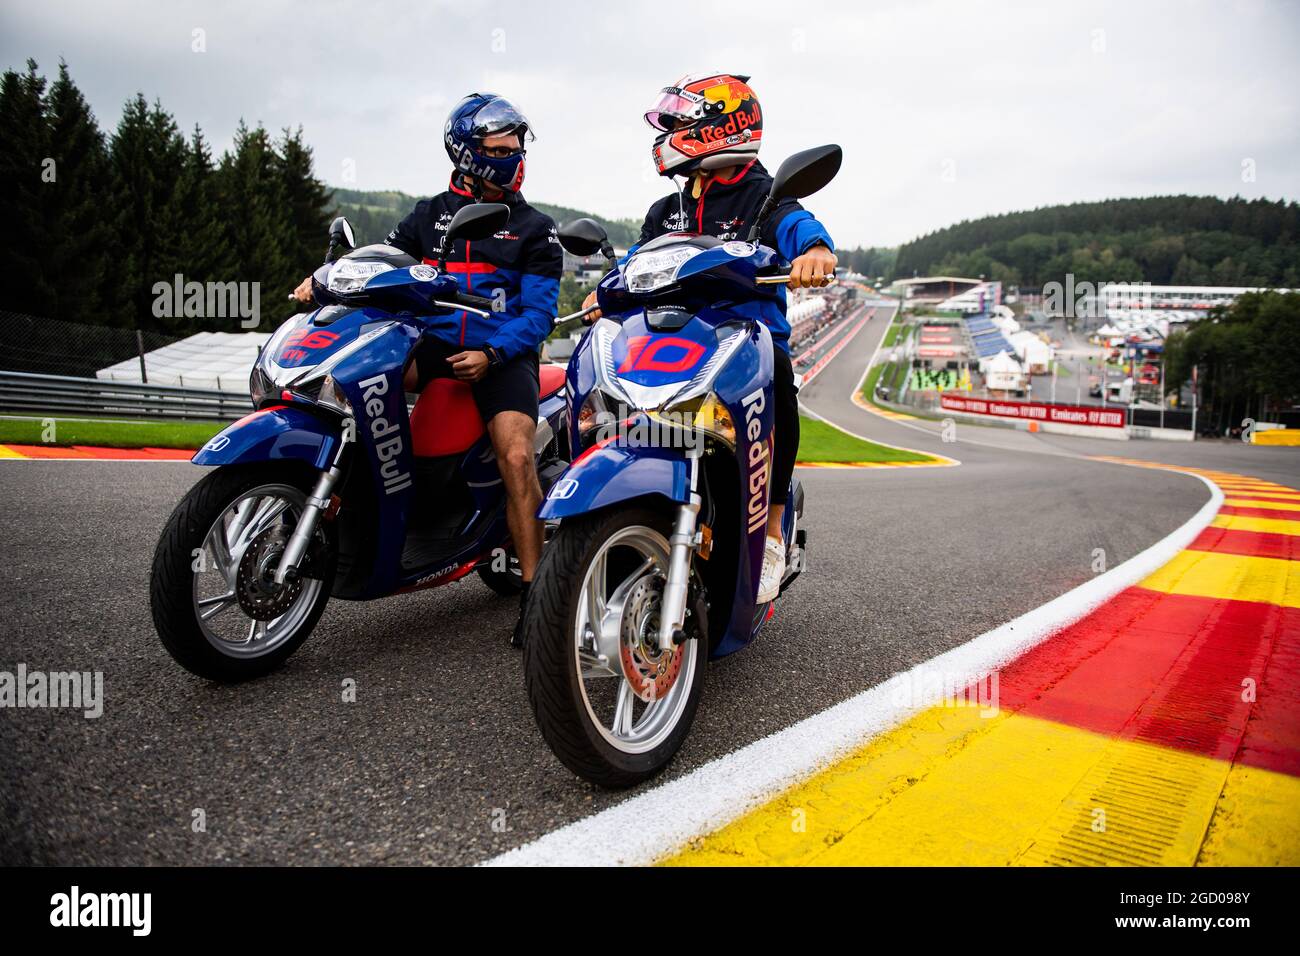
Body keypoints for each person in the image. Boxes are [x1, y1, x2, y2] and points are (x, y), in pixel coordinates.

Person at [292, 93, 561, 646]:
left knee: (514, 451)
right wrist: (323, 281)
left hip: (500, 356)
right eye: (500, 149)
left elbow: (539, 314)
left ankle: (538, 596)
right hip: (430, 345)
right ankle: (379, 505)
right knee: (354, 383)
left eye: (517, 147)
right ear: (469, 154)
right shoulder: (429, 214)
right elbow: (380, 263)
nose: (515, 157)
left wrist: (493, 354)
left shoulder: (535, 229)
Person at [581, 73, 837, 602]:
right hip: (670, 337)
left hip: (744, 340)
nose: (669, 132)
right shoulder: (665, 210)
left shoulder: (765, 195)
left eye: (679, 122)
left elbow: (798, 224)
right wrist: (603, 295)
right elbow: (637, 262)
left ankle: (770, 534)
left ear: (724, 124)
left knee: (780, 382)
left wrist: (814, 251)